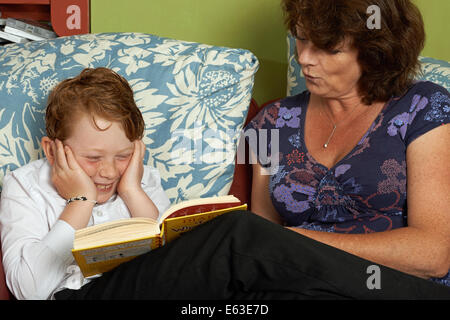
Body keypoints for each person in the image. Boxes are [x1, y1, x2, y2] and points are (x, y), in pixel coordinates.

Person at [247, 0, 450, 289]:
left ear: (375, 53)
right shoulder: (273, 120)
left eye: (329, 48)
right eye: (301, 38)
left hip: (393, 286)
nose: (304, 58)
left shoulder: (423, 107)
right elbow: (259, 240)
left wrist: (295, 242)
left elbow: (432, 254)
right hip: (301, 281)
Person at [0, 67, 171, 299]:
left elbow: (171, 261)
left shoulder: (140, 177)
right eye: (93, 158)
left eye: (123, 155)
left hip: (151, 289)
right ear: (52, 151)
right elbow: (29, 291)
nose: (110, 172)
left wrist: (132, 191)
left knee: (234, 229)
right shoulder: (23, 186)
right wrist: (80, 201)